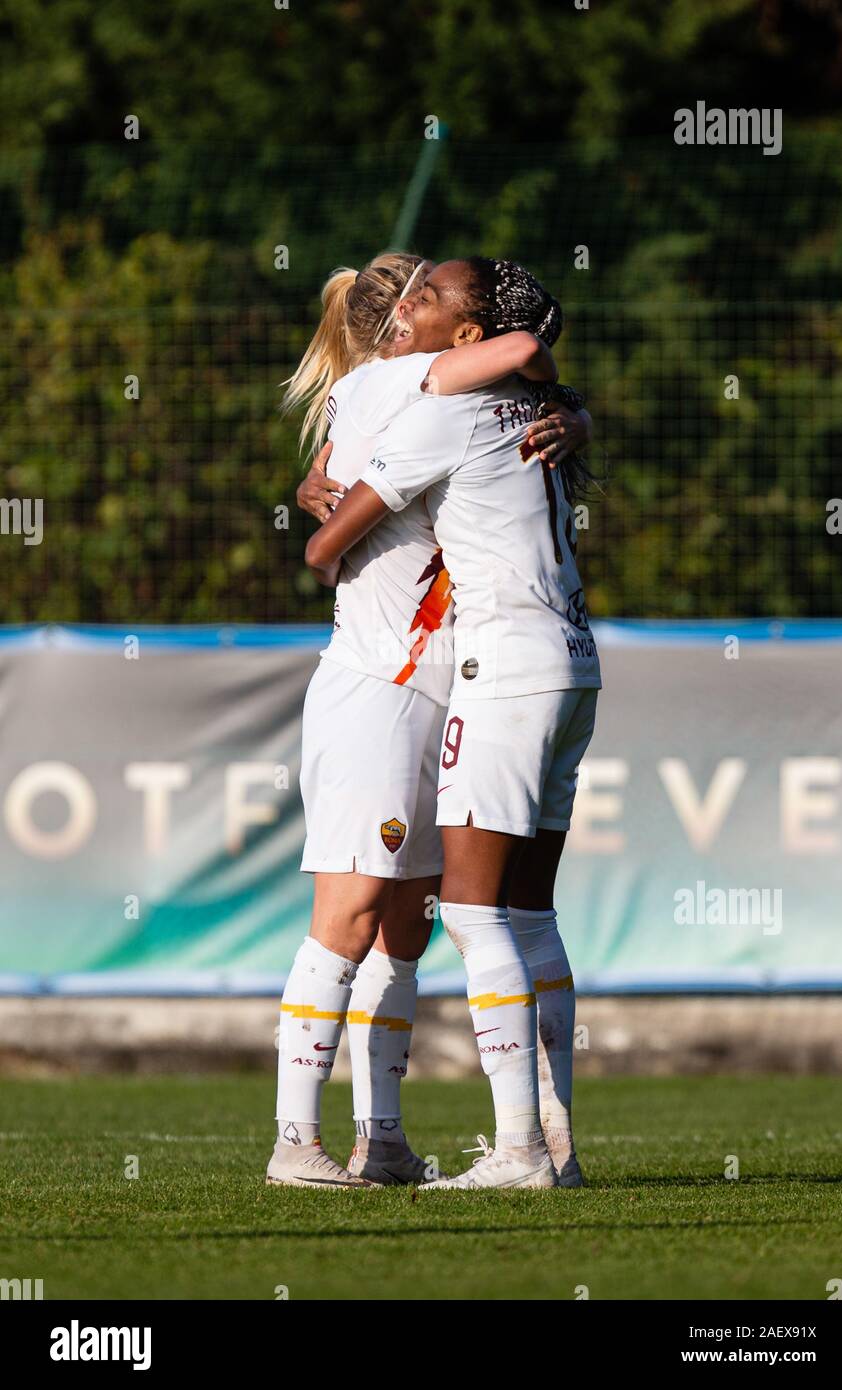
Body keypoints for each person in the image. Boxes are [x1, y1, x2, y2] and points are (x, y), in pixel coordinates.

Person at [269, 253, 591, 1188]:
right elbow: (523, 352)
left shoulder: (389, 395)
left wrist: (569, 413)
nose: (425, 307)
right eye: (421, 296)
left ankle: (387, 1139)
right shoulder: (411, 383)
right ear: (421, 329)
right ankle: (298, 1141)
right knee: (359, 911)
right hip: (384, 681)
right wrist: (569, 408)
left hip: (467, 678)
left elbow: (328, 475)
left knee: (406, 919)